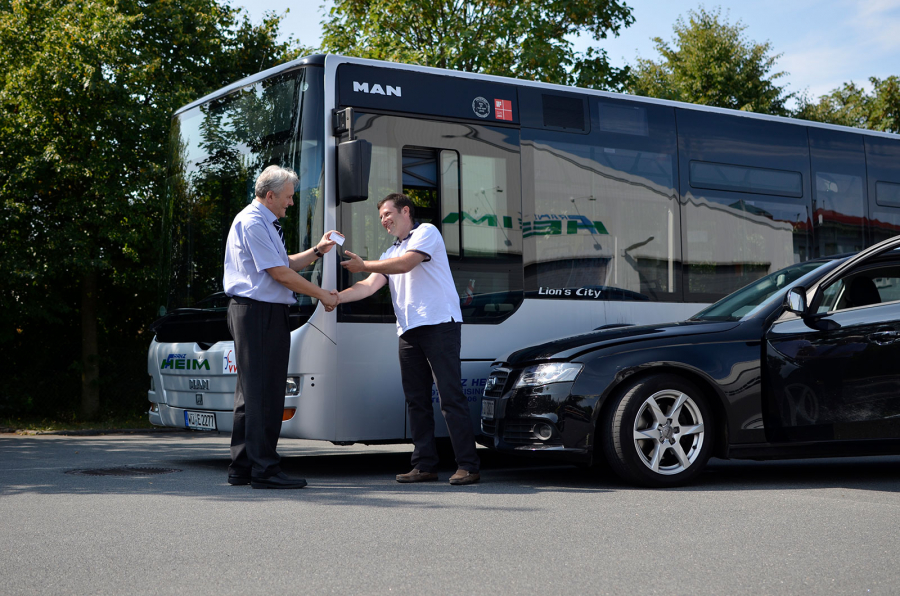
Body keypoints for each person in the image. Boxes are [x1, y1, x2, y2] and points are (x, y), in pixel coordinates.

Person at [330, 193, 480, 485]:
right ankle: (425, 465)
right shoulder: (389, 253)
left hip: (439, 325)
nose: (384, 220)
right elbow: (368, 286)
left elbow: (405, 265)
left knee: (450, 397)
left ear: (406, 211)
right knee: (416, 400)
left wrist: (365, 265)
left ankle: (468, 466)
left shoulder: (426, 233)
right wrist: (335, 298)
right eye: (381, 217)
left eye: (388, 214)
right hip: (408, 331)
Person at [223, 165, 339, 489]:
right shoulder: (253, 222)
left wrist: (317, 250)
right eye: (288, 197)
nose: (291, 203)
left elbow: (285, 263)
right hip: (260, 312)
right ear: (270, 195)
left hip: (256, 311)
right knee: (266, 392)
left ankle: (242, 466)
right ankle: (265, 470)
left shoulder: (262, 222)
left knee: (251, 393)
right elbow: (280, 274)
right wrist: (322, 296)